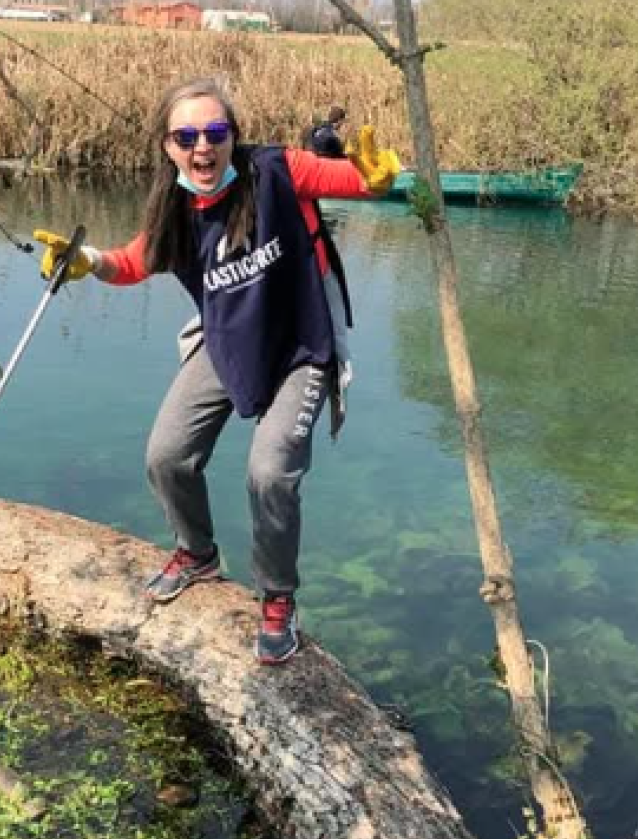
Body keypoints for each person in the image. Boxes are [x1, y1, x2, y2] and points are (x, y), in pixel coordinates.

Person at [34, 77, 400, 665]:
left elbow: (355, 181)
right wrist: (87, 260)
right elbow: (132, 262)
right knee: (166, 455)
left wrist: (377, 177)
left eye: (214, 132)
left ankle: (277, 597)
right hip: (228, 343)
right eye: (186, 137)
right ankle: (197, 552)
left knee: (270, 473)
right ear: (168, 146)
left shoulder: (277, 171)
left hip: (301, 347)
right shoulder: (174, 211)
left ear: (233, 135)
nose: (201, 146)